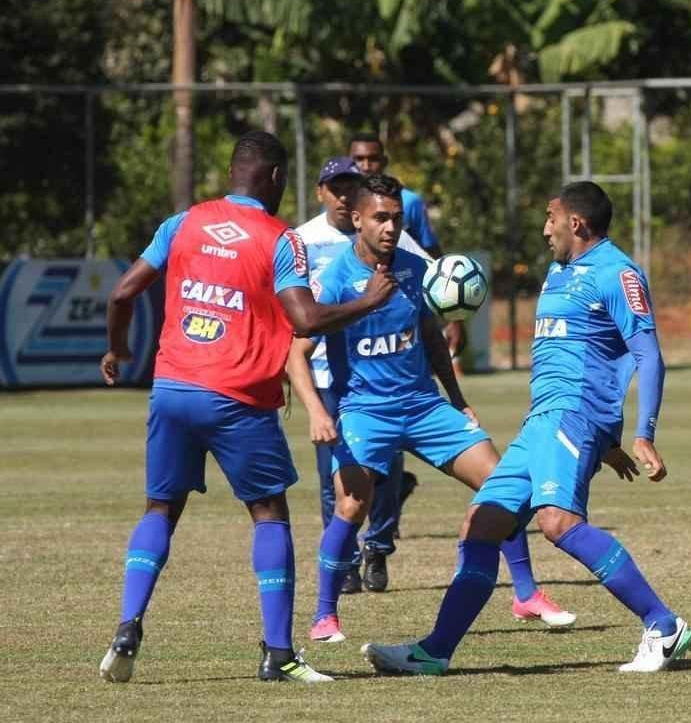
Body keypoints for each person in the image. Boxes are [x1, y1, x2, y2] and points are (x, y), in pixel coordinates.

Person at [98, 131, 398, 684]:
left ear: (233, 172)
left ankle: (126, 626)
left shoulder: (183, 222)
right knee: (270, 515)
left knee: (160, 509)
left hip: (173, 389)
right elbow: (304, 320)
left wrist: (117, 349)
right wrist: (367, 302)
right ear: (277, 177)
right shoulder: (281, 239)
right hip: (237, 397)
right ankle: (278, 653)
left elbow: (121, 293)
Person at [360, 181, 691, 676]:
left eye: (550, 218)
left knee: (557, 522)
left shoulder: (617, 272)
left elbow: (648, 355)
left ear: (575, 223)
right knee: (482, 524)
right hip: (542, 421)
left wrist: (641, 432)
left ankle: (663, 625)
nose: (544, 229)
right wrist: (603, 444)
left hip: (573, 415)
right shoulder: (558, 272)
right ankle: (434, 651)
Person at [287, 174, 576, 645]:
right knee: (352, 504)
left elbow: (431, 338)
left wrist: (458, 400)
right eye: (380, 218)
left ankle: (525, 594)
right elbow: (295, 355)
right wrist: (318, 413)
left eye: (397, 219)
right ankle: (324, 615)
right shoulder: (335, 278)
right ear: (357, 219)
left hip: (424, 407)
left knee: (504, 483)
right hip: (365, 412)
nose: (390, 228)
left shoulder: (416, 269)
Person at [295, 156, 424, 595]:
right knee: (335, 479)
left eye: (350, 186)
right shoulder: (303, 240)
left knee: (386, 473)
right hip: (325, 373)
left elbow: (431, 276)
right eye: (335, 187)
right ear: (321, 192)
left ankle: (379, 545)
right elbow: (293, 303)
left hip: (382, 375)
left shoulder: (394, 240)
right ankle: (345, 563)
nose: (342, 194)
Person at [347, 132, 467, 368]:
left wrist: (454, 316)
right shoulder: (339, 204)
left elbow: (432, 257)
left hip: (403, 309)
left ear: (384, 161)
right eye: (358, 159)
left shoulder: (409, 202)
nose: (366, 165)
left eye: (373, 158)